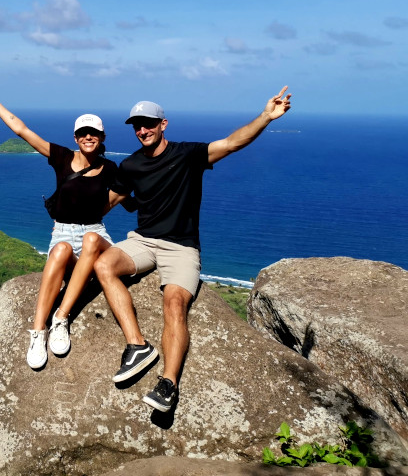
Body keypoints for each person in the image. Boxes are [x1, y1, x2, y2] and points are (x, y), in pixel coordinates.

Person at [96, 87, 293, 412]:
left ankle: (168, 383)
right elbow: (109, 202)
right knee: (104, 265)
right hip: (143, 241)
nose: (142, 130)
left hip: (181, 247)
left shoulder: (187, 154)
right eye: (137, 125)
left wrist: (266, 117)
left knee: (174, 304)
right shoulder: (131, 166)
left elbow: (232, 143)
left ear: (163, 125)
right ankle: (137, 346)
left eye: (148, 123)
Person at [0, 78, 117, 370]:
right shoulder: (61, 157)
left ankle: (61, 318)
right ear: (76, 137)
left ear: (102, 138)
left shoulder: (111, 169)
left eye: (94, 133)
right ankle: (39, 332)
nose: (88, 137)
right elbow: (21, 130)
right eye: (83, 133)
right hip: (63, 232)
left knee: (89, 242)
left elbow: (124, 195)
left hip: (95, 233)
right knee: (61, 250)